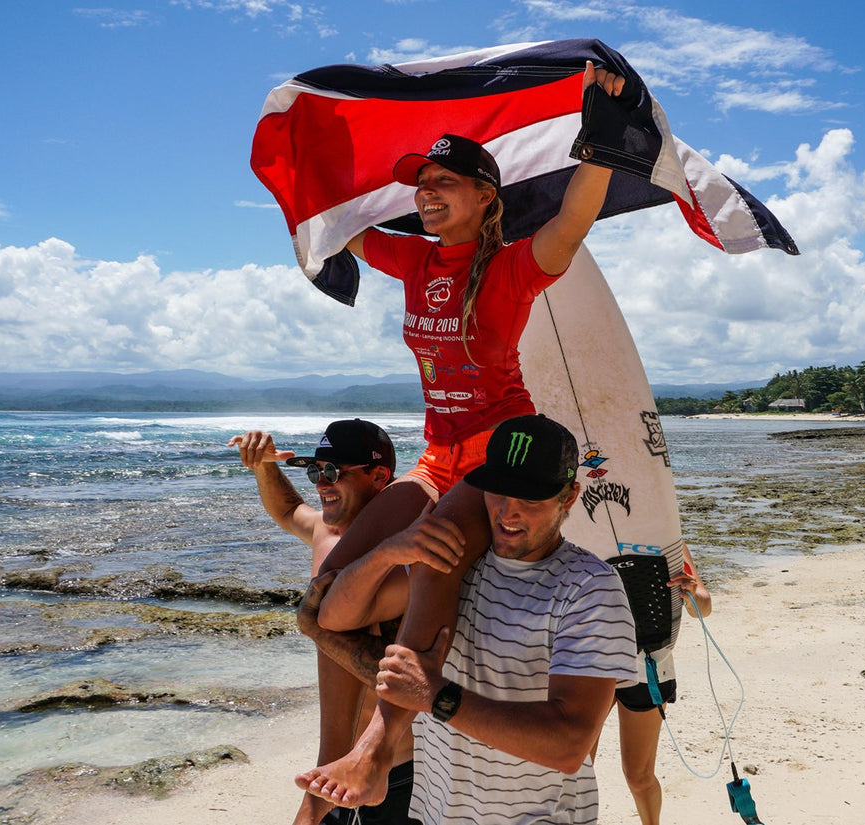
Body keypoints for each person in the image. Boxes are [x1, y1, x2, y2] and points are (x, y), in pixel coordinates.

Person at [298, 59, 629, 807]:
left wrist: (599, 138)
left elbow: (572, 223)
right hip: (438, 455)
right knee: (318, 603)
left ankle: (380, 745)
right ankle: (390, 707)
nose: (425, 193)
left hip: (495, 453)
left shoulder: (512, 269)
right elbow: (344, 225)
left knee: (437, 553)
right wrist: (310, 155)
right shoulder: (412, 259)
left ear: (486, 197)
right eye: (420, 184)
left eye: (443, 183)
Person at [320, 414, 639, 823]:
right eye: (498, 493)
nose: (507, 513)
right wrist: (390, 551)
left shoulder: (589, 588)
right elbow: (332, 616)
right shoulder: (454, 567)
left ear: (570, 496)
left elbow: (568, 744)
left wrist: (436, 695)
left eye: (530, 500)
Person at [228, 419, 416, 825]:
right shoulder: (325, 533)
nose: (320, 484)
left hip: (400, 772)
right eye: (314, 471)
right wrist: (264, 467)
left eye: (332, 472)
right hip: (332, 775)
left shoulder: (407, 547)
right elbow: (288, 509)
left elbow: (407, 673)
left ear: (379, 475)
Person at [608, 543, 712, 825]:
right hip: (592, 659)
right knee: (575, 768)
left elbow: (704, 605)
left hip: (647, 663)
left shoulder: (666, 538)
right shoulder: (580, 528)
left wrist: (690, 593)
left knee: (638, 776)